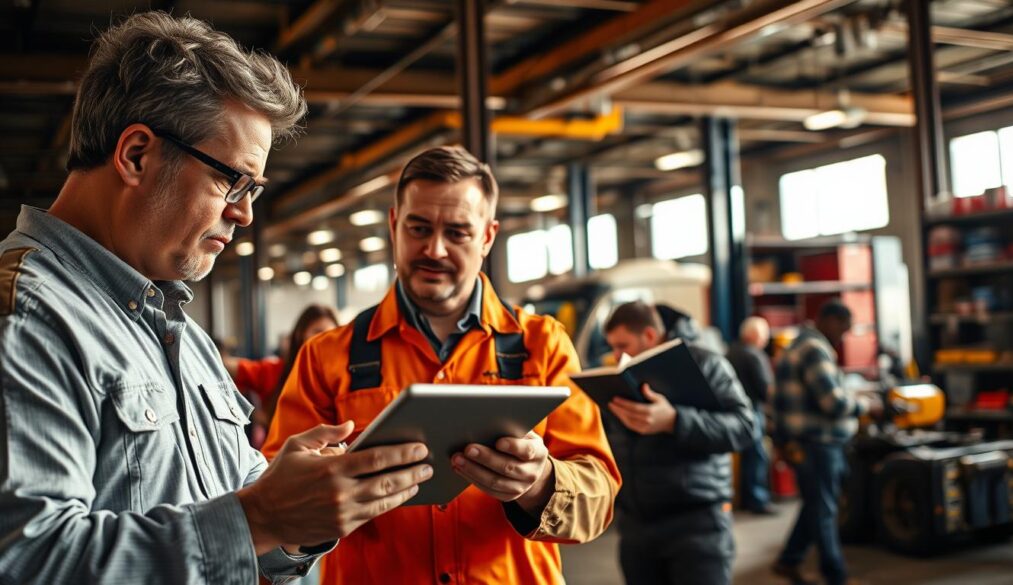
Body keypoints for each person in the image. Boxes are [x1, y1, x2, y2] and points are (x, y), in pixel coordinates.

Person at [0, 12, 434, 584]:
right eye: (233, 181)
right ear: (135, 155)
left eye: (254, 190)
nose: (246, 213)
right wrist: (258, 517)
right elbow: (29, 562)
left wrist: (297, 517)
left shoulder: (181, 334)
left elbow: (236, 522)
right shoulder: (27, 315)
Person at [263, 145, 622, 585]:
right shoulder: (326, 357)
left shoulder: (542, 346)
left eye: (457, 233)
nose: (434, 249)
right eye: (419, 228)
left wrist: (541, 482)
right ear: (394, 224)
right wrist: (316, 504)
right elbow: (273, 511)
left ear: (488, 237)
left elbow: (599, 498)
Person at [602, 301, 757, 585]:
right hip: (637, 526)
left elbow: (745, 428)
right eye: (612, 347)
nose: (616, 356)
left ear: (649, 335)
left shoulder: (707, 363)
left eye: (622, 345)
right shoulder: (620, 377)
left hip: (697, 525)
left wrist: (675, 420)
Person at [771, 300, 882, 585]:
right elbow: (832, 402)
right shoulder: (815, 349)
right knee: (824, 510)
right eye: (842, 329)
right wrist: (866, 406)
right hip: (818, 442)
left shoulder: (798, 344)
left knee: (815, 504)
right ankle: (836, 576)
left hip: (804, 441)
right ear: (830, 320)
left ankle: (789, 560)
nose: (842, 336)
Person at [224, 303, 340, 443]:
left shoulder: (340, 376)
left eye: (331, 334)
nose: (324, 339)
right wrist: (251, 414)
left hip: (326, 458)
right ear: (300, 335)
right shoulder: (275, 371)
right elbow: (226, 365)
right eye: (317, 332)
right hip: (277, 459)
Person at [726, 316, 776, 514]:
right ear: (754, 335)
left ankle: (746, 498)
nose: (765, 340)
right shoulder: (754, 355)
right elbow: (765, 389)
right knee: (757, 455)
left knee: (747, 456)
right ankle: (758, 500)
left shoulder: (731, 352)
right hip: (752, 411)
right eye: (763, 336)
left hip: (734, 412)